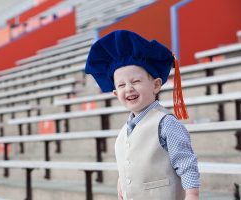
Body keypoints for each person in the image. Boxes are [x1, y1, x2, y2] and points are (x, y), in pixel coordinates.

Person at [85, 30, 200, 200]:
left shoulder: (165, 122)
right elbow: (129, 164)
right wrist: (122, 182)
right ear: (116, 94)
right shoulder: (125, 130)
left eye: (136, 81)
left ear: (156, 85)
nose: (129, 88)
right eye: (121, 85)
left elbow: (185, 162)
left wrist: (192, 194)